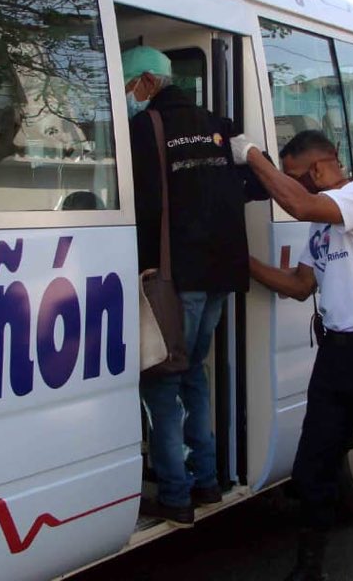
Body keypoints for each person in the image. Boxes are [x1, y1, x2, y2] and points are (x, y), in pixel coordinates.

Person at [231, 129, 353, 581]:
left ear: (319, 168)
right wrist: (240, 261)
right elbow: (300, 285)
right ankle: (309, 569)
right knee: (313, 467)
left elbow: (301, 203)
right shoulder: (320, 224)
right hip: (334, 356)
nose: (292, 186)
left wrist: (252, 155)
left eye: (295, 176)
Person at [124, 45, 250, 528]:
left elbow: (145, 206)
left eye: (132, 85)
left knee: (161, 382)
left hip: (175, 281)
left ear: (148, 82)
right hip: (220, 276)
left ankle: (176, 496)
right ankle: (208, 483)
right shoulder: (220, 124)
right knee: (194, 373)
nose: (131, 95)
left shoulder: (145, 127)